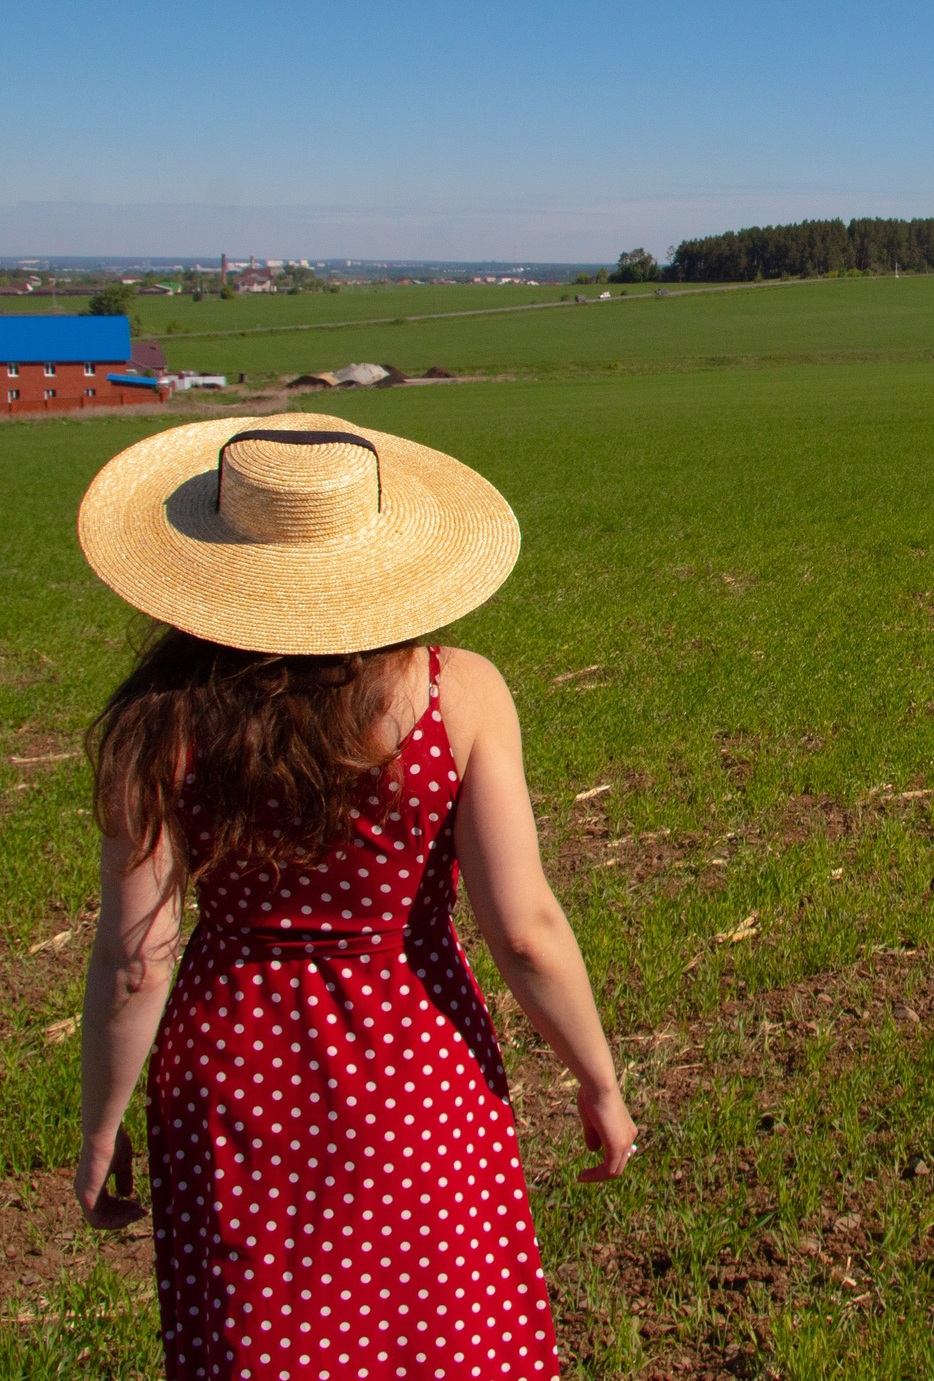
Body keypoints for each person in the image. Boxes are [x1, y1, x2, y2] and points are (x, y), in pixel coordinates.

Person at [72, 411, 636, 1381]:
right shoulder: (456, 692)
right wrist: (598, 1079)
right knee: (446, 1337)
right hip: (417, 1069)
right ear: (378, 551)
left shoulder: (161, 721)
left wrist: (98, 1125)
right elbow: (527, 930)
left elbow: (136, 959)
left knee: (257, 1344)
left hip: (232, 1071)